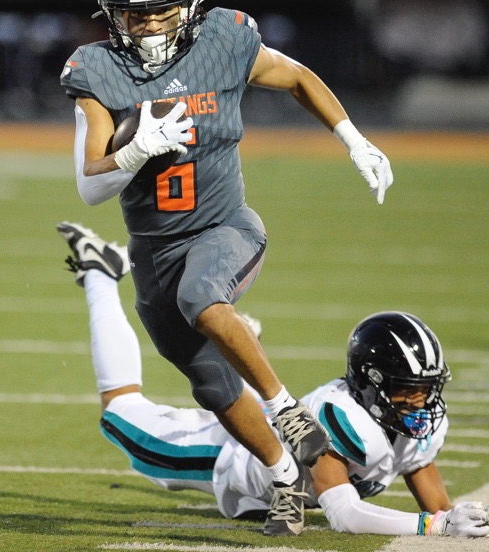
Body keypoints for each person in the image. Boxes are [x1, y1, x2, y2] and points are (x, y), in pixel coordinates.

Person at [59, 0, 394, 535]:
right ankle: (285, 476)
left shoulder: (224, 39)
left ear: (190, 3)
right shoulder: (99, 69)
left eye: (162, 9)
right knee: (212, 386)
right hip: (155, 253)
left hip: (224, 228)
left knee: (203, 298)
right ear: (113, 14)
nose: (151, 25)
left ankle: (286, 411)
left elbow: (296, 77)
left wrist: (354, 138)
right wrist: (135, 150)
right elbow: (90, 182)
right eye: (136, 14)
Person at [57, 221, 489, 539]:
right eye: (406, 390)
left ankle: (238, 357)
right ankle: (100, 272)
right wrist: (433, 525)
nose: (420, 403)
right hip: (228, 458)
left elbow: (437, 502)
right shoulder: (344, 420)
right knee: (119, 411)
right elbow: (345, 514)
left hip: (275, 428)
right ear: (372, 385)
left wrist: (456, 519)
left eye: (427, 389)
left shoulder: (415, 424)